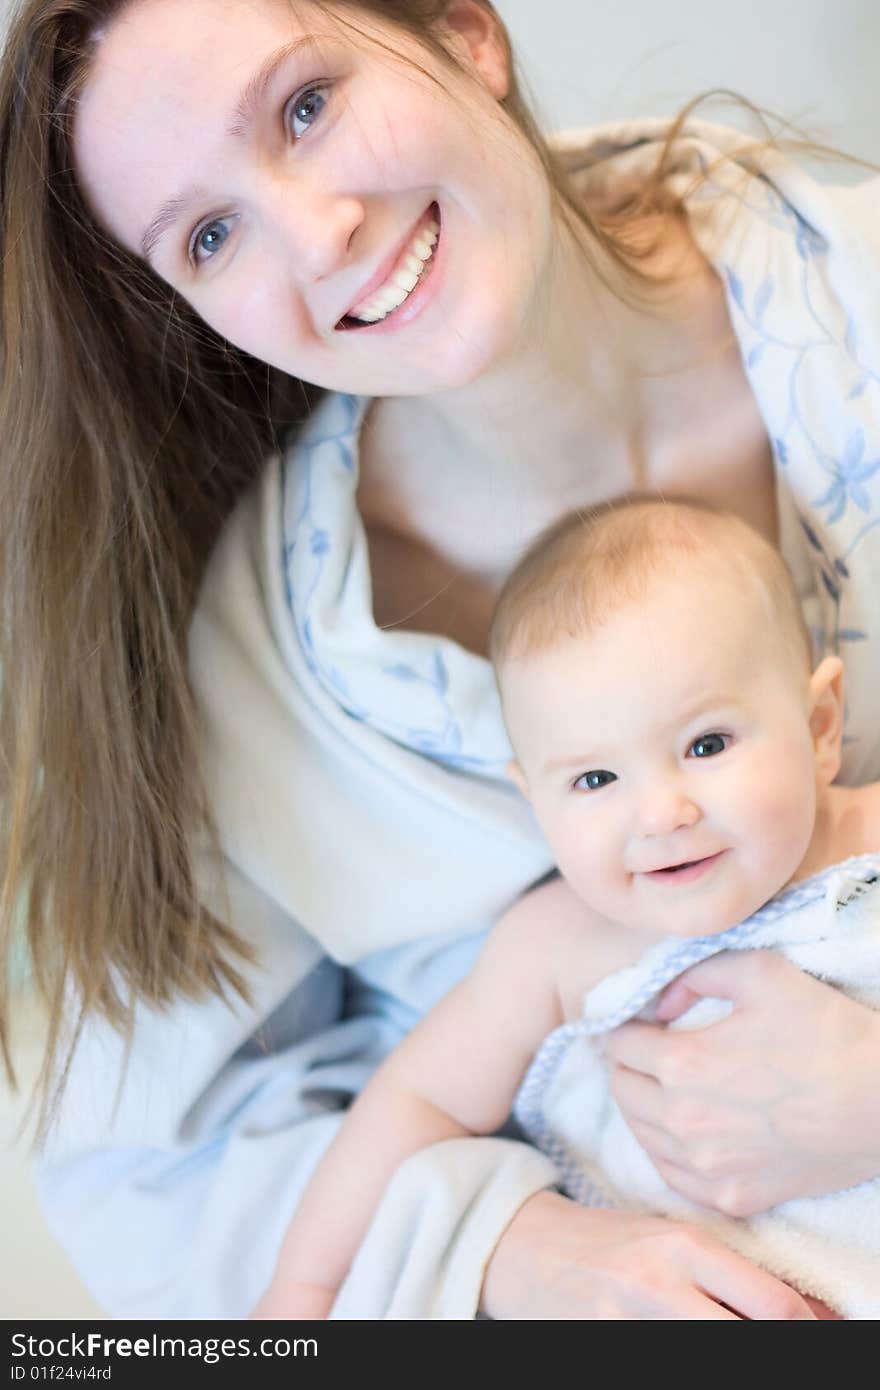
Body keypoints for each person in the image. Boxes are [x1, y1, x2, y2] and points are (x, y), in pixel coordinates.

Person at [1, 0, 879, 1320]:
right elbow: (157, 1155)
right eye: (211, 232)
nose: (316, 232)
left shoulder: (851, 286)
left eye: (306, 105)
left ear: (466, 33)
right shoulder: (266, 675)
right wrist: (499, 1250)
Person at [253, 497, 880, 1320]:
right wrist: (303, 1293)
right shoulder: (556, 946)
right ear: (535, 801)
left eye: (706, 745)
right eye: (595, 781)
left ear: (819, 725)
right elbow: (416, 1104)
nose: (660, 814)